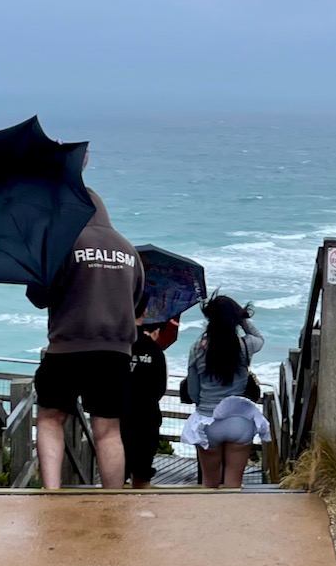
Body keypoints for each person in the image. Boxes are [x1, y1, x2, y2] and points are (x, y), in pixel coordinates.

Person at [27, 188, 143, 489]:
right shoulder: (129, 250)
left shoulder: (63, 242)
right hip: (115, 351)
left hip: (67, 346)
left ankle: (51, 491)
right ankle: (112, 499)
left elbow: (39, 296)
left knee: (51, 419)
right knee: (108, 430)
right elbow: (136, 299)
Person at [181, 294, 266, 488]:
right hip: (240, 421)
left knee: (209, 484)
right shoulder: (245, 346)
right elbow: (259, 338)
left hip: (208, 421)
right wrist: (241, 318)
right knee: (233, 485)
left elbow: (193, 391)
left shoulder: (198, 348)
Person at [122, 295, 170, 489]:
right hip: (146, 417)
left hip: (118, 415)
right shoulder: (155, 351)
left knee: (115, 471)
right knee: (142, 475)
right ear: (145, 312)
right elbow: (160, 388)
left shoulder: (114, 344)